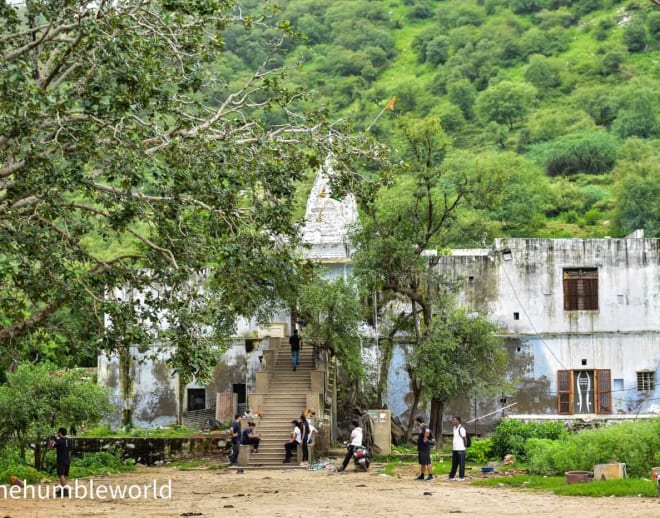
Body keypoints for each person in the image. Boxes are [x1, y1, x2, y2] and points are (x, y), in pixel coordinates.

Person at [50, 427, 70, 495]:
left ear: (60, 433)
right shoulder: (67, 440)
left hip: (61, 460)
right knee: (64, 475)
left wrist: (51, 441)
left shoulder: (59, 441)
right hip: (67, 459)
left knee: (61, 474)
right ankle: (62, 489)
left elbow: (51, 447)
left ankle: (65, 490)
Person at [414, 415, 433, 481]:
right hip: (421, 448)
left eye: (416, 422)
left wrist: (425, 438)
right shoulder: (422, 428)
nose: (416, 424)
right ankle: (422, 475)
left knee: (428, 461)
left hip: (425, 448)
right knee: (423, 462)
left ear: (418, 422)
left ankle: (430, 476)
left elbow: (427, 431)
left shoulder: (425, 426)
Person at [448, 416, 467, 481]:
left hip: (461, 449)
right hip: (455, 449)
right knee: (454, 463)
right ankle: (452, 476)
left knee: (461, 464)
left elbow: (464, 438)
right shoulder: (454, 428)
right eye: (453, 420)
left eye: (454, 420)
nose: (453, 421)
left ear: (458, 421)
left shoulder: (461, 428)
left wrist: (464, 447)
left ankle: (461, 477)